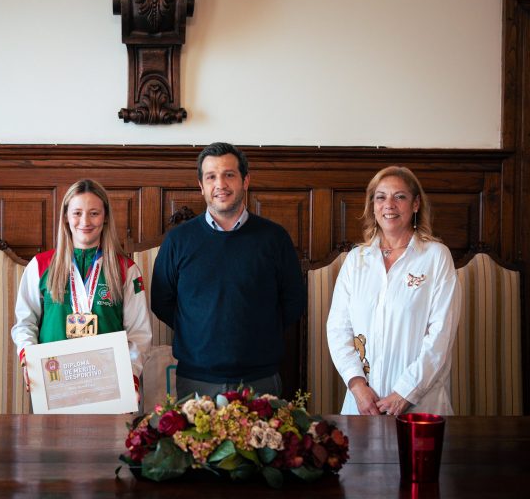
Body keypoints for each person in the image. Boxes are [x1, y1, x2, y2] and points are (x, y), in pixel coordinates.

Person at [150, 142, 306, 399]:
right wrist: (198, 330)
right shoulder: (178, 241)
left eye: (229, 175)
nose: (220, 184)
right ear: (201, 186)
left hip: (260, 380)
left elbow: (293, 301)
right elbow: (161, 301)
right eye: (211, 177)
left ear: (245, 181)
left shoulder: (274, 238)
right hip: (196, 380)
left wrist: (259, 332)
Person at [326, 166, 461, 416]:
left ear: (416, 204)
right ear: (373, 205)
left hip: (420, 405)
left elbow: (441, 335)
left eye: (399, 196)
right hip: (363, 405)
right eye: (381, 197)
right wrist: (357, 386)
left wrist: (404, 394)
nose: (389, 204)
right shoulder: (356, 260)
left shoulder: (436, 257)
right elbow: (338, 330)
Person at [11, 179, 151, 395]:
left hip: (110, 383)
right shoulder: (40, 266)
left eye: (94, 213)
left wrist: (129, 376)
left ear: (105, 218)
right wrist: (29, 360)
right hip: (54, 382)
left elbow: (139, 335)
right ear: (66, 217)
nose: (85, 221)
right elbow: (24, 323)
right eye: (77, 213)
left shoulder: (127, 269)